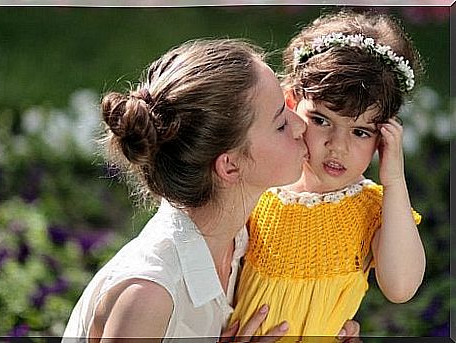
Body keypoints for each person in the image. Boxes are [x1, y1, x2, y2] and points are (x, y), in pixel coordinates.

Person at [62, 38, 359, 342]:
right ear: (229, 167)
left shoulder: (247, 236)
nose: (300, 126)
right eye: (281, 123)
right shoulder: (150, 295)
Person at [230, 10, 426, 340]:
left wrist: (393, 180)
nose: (337, 147)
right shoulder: (258, 186)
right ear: (291, 104)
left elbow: (401, 286)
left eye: (361, 132)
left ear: (384, 136)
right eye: (321, 121)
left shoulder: (371, 209)